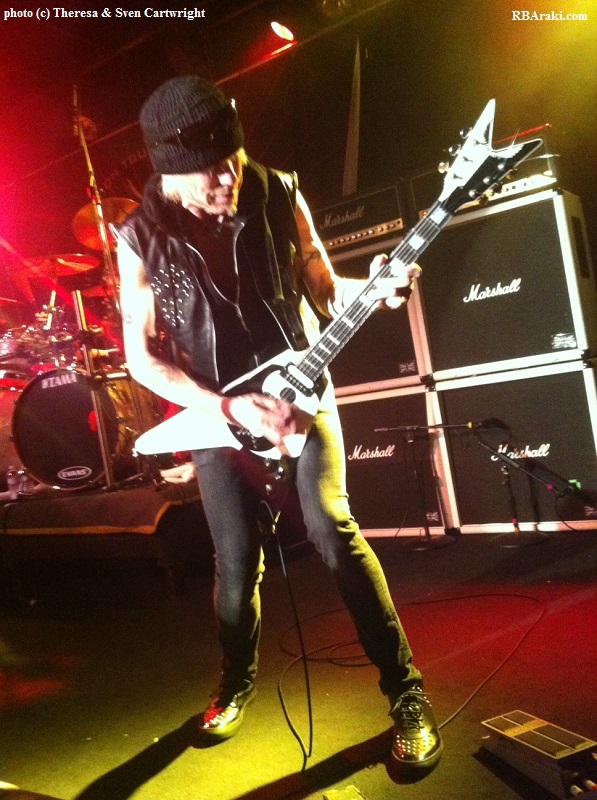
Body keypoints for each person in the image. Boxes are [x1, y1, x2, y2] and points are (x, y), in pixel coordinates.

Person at [116, 75, 442, 773]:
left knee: (333, 531)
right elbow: (141, 358)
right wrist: (227, 408)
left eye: (233, 161)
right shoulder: (140, 237)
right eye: (210, 172)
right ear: (169, 171)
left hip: (300, 396)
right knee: (235, 565)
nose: (228, 180)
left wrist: (373, 289)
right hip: (217, 418)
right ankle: (234, 681)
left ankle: (407, 693)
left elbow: (325, 289)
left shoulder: (277, 191)